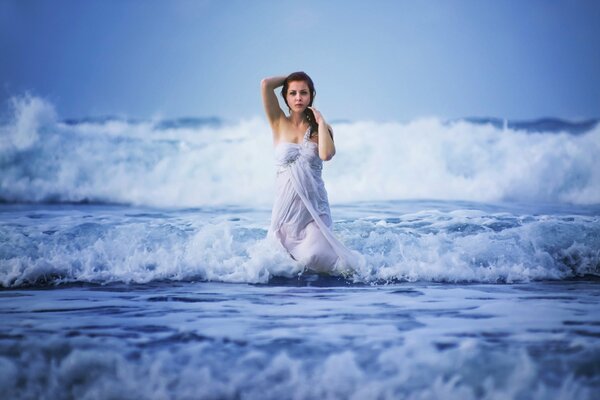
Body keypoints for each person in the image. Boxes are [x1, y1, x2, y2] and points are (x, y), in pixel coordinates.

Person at [261, 71, 357, 274]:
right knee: (283, 263)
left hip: (313, 208)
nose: (298, 98)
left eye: (303, 92)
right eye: (293, 93)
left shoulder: (322, 127)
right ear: (285, 96)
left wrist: (321, 123)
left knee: (317, 257)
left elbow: (327, 154)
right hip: (286, 211)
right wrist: (292, 76)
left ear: (311, 95)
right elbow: (266, 84)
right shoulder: (278, 121)